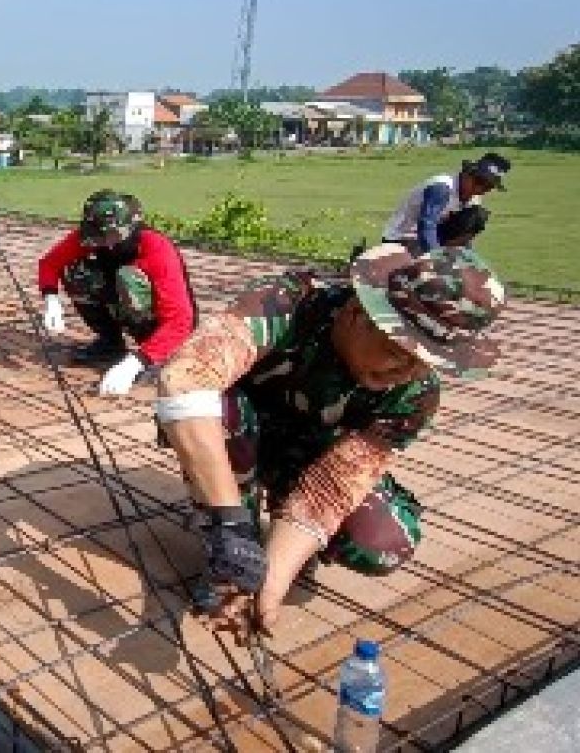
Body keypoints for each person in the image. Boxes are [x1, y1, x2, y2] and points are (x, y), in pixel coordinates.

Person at [153, 244, 506, 638]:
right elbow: (185, 380)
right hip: (236, 439)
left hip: (309, 458)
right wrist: (229, 528)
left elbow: (331, 489)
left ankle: (255, 557)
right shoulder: (286, 303)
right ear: (358, 313)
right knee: (219, 409)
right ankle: (233, 532)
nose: (405, 372)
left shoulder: (415, 394)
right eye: (396, 351)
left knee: (382, 540)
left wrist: (270, 581)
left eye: (424, 363)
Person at [38, 190, 198, 396]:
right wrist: (51, 299)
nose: (108, 243)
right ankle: (110, 343)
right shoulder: (92, 238)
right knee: (75, 271)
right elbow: (50, 263)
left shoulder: (155, 246)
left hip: (162, 326)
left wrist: (135, 363)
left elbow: (180, 320)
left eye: (112, 235)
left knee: (128, 277)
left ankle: (154, 355)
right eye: (101, 236)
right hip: (121, 303)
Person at [382, 152, 510, 255]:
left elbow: (464, 232)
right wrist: (437, 257)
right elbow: (426, 224)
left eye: (488, 187)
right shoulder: (442, 188)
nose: (480, 189)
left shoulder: (473, 199)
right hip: (403, 237)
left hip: (434, 235)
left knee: (478, 216)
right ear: (467, 174)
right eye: (479, 182)